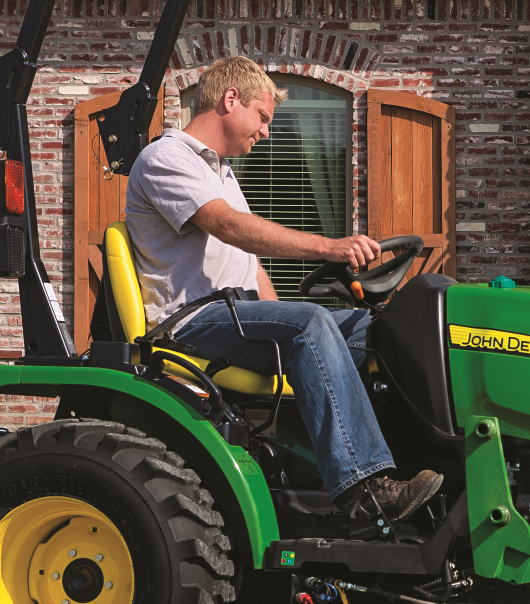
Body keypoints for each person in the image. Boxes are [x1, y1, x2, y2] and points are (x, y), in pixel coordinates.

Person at [124, 55, 443, 525]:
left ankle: (423, 462)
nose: (266, 132)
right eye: (262, 117)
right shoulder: (166, 158)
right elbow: (231, 227)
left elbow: (248, 264)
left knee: (381, 328)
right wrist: (329, 248)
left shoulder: (220, 172)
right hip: (192, 323)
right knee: (311, 323)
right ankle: (365, 491)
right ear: (231, 99)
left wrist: (281, 316)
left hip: (236, 315)